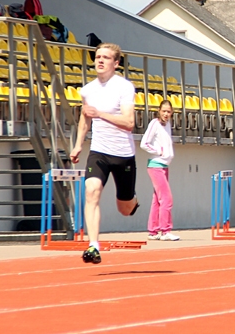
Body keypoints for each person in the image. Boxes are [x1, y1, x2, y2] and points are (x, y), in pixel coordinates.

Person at [70, 43, 139, 264]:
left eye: (106, 57)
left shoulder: (124, 87)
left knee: (125, 209)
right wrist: (78, 144)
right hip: (99, 151)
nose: (100, 60)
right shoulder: (87, 90)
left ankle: (133, 201)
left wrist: (99, 113)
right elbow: (85, 118)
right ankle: (93, 246)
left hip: (123, 154)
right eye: (97, 56)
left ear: (116, 63)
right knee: (91, 191)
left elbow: (129, 123)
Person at [140, 99, 179, 241]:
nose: (166, 114)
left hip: (164, 165)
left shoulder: (167, 125)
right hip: (156, 165)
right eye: (164, 111)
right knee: (167, 198)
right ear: (159, 111)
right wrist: (159, 151)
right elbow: (144, 143)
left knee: (157, 199)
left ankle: (153, 230)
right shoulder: (154, 124)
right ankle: (165, 230)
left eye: (169, 111)